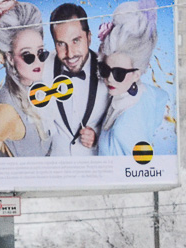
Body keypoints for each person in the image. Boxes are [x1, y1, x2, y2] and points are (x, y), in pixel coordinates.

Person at [0, 1, 53, 158]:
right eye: (27, 55)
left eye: (41, 52)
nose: (37, 61)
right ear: (10, 58)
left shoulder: (37, 89)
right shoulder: (6, 110)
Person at [95, 0, 171, 158]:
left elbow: (142, 170)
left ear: (137, 73)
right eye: (104, 69)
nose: (109, 79)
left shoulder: (124, 129)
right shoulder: (146, 94)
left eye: (119, 74)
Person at [46, 3, 110, 156]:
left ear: (88, 38)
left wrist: (97, 136)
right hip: (53, 169)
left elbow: (121, 123)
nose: (70, 53)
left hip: (92, 169)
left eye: (76, 40)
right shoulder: (40, 66)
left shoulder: (109, 70)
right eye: (61, 44)